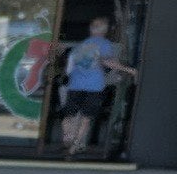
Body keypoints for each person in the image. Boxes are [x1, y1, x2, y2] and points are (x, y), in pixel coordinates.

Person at [55, 16, 134, 158]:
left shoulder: (79, 45)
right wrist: (129, 70)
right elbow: (108, 62)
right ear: (105, 31)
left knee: (69, 115)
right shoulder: (104, 44)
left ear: (91, 30)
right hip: (94, 87)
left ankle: (67, 137)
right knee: (86, 118)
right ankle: (74, 145)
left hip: (75, 85)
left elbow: (69, 68)